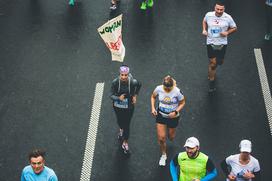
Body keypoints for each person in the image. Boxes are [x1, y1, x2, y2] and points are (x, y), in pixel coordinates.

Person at [202, 1, 237, 92]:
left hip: (222, 44)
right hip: (210, 42)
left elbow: (234, 28)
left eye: (221, 9)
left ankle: (214, 67)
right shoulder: (209, 15)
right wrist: (204, 30)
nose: (219, 11)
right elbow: (204, 21)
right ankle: (211, 83)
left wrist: (227, 32)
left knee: (220, 62)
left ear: (224, 9)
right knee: (213, 63)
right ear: (215, 8)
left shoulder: (228, 17)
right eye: (217, 9)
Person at [151, 75, 185, 166]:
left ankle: (170, 133)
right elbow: (153, 97)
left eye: (168, 89)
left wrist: (176, 111)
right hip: (161, 115)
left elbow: (182, 102)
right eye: (165, 88)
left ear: (172, 86)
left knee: (171, 137)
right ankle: (163, 155)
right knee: (161, 138)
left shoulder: (177, 91)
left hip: (173, 117)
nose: (167, 90)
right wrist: (153, 108)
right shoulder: (159, 88)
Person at [110, 65, 141, 154]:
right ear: (119, 74)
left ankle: (125, 142)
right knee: (120, 121)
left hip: (129, 105)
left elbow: (139, 85)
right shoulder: (115, 82)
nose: (124, 77)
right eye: (122, 75)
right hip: (117, 106)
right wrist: (118, 98)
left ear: (128, 74)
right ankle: (121, 129)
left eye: (125, 75)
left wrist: (135, 95)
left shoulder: (132, 82)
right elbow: (111, 95)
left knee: (127, 124)